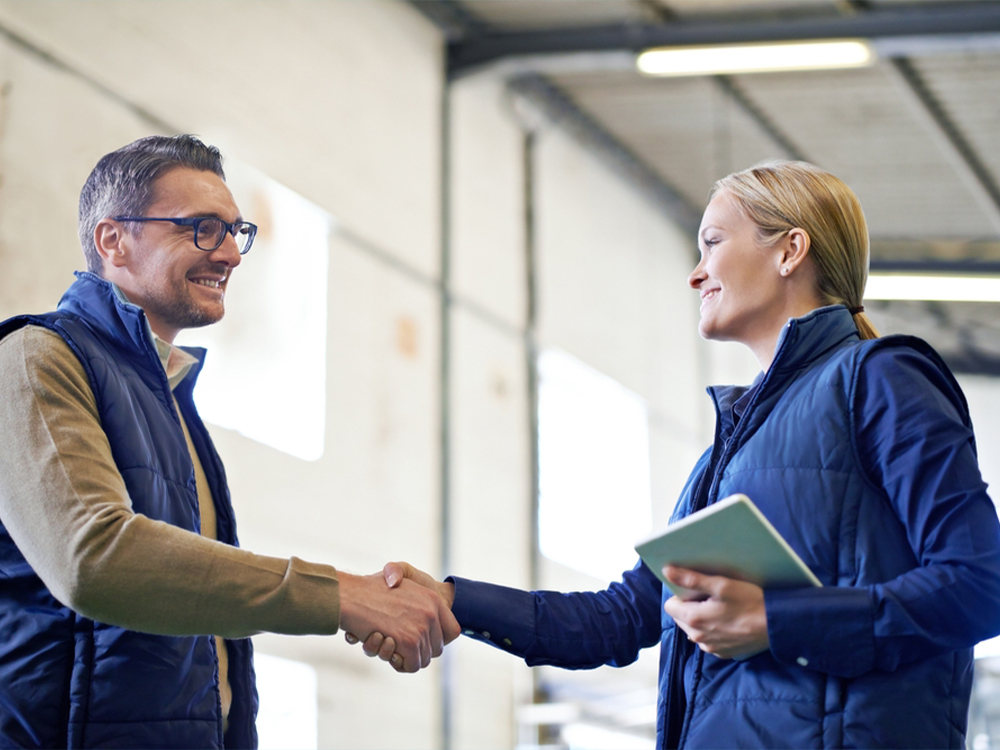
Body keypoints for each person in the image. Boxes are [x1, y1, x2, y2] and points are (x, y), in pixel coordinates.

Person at [354, 161, 1000, 748]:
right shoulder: (730, 450)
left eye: (712, 243)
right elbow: (621, 618)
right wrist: (450, 600)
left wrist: (776, 621)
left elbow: (982, 585)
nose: (695, 272)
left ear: (790, 250)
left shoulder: (882, 379)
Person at [0, 134, 459, 749]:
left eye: (235, 232)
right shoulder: (37, 359)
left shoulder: (172, 400)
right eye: (202, 229)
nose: (233, 255)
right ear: (113, 240)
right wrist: (343, 596)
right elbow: (97, 559)